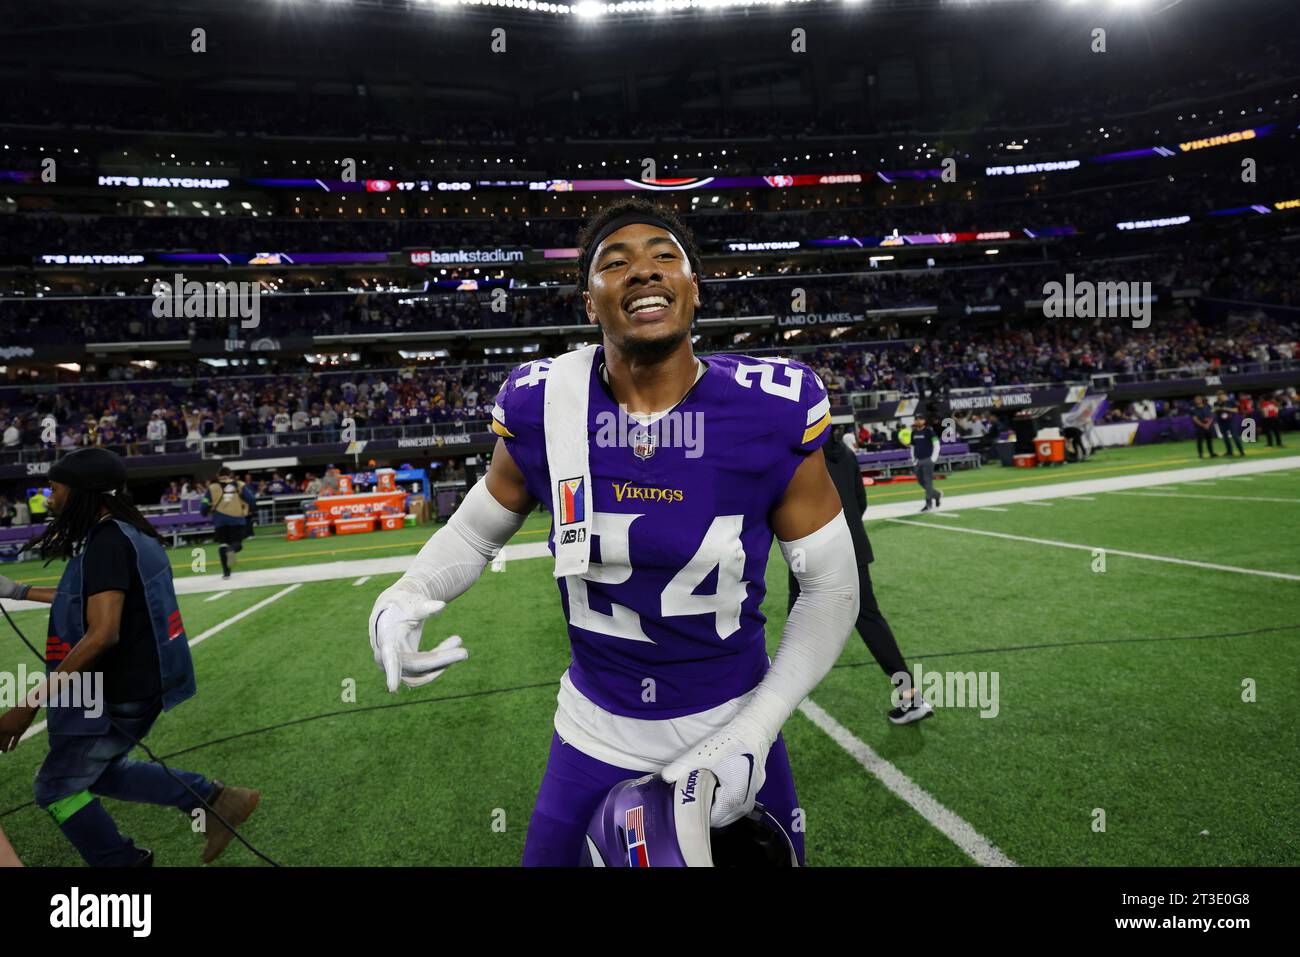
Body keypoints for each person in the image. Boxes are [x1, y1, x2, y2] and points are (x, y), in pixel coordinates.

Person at [367, 198, 858, 866]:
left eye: (665, 256)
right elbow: (478, 531)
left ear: (693, 287)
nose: (643, 271)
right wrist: (408, 590)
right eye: (615, 263)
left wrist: (754, 730)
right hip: (592, 736)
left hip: (733, 731)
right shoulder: (544, 403)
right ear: (590, 301)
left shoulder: (769, 410)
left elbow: (830, 588)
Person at [0, 448, 259, 866]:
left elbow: (102, 633)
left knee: (56, 787)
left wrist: (27, 704)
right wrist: (17, 591)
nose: (49, 497)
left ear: (83, 491)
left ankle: (123, 863)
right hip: (142, 685)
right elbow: (88, 599)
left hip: (119, 694)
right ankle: (215, 800)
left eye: (56, 487)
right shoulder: (124, 533)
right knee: (103, 771)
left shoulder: (107, 542)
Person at [789, 432, 931, 725]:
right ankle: (910, 694)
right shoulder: (845, 452)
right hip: (852, 547)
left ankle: (774, 697)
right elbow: (860, 501)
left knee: (797, 620)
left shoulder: (796, 452)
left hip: (812, 549)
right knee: (870, 620)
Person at [200, 466, 257, 579]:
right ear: (230, 474)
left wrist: (204, 512)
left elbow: (204, 504)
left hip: (220, 520)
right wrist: (253, 509)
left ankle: (226, 573)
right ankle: (231, 551)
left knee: (222, 545)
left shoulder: (212, 487)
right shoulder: (239, 484)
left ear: (218, 476)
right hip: (237, 519)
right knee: (237, 544)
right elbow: (251, 499)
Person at [910, 414, 942, 512]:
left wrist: (933, 458)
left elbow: (936, 444)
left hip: (928, 459)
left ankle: (928, 504)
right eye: (916, 419)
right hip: (918, 460)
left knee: (928, 481)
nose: (918, 421)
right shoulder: (914, 432)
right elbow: (912, 447)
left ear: (924, 420)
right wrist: (913, 459)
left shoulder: (929, 431)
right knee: (920, 480)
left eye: (920, 419)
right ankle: (936, 494)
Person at [1214, 390, 1245, 457]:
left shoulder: (1231, 401)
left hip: (1231, 421)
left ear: (1225, 395)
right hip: (1221, 421)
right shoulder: (1216, 403)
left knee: (1235, 436)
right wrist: (1218, 408)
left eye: (1222, 395)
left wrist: (1226, 408)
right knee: (1225, 437)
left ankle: (1241, 451)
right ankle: (1229, 451)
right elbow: (1214, 410)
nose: (1220, 397)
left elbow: (1236, 410)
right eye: (1219, 396)